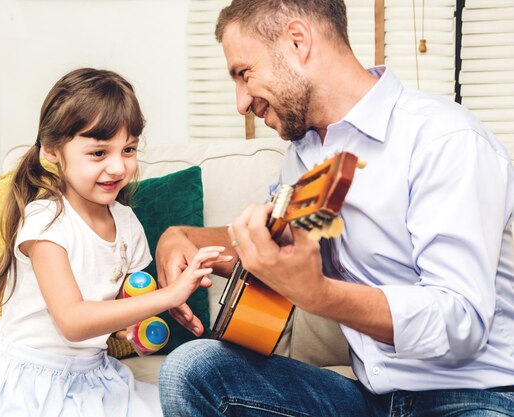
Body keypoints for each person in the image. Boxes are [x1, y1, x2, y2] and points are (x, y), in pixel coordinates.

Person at [156, 1, 514, 416]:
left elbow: (461, 321)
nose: (240, 102)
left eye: (243, 73)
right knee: (194, 370)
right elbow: (281, 251)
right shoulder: (303, 154)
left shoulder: (445, 140)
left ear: (297, 40)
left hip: (474, 397)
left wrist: (321, 295)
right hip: (369, 401)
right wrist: (182, 237)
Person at [0, 68, 228, 417]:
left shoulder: (127, 223)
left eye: (128, 149)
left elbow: (124, 303)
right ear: (52, 151)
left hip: (90, 375)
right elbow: (73, 320)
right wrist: (169, 294)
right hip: (28, 380)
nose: (117, 167)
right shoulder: (46, 222)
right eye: (98, 153)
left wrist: (148, 319)